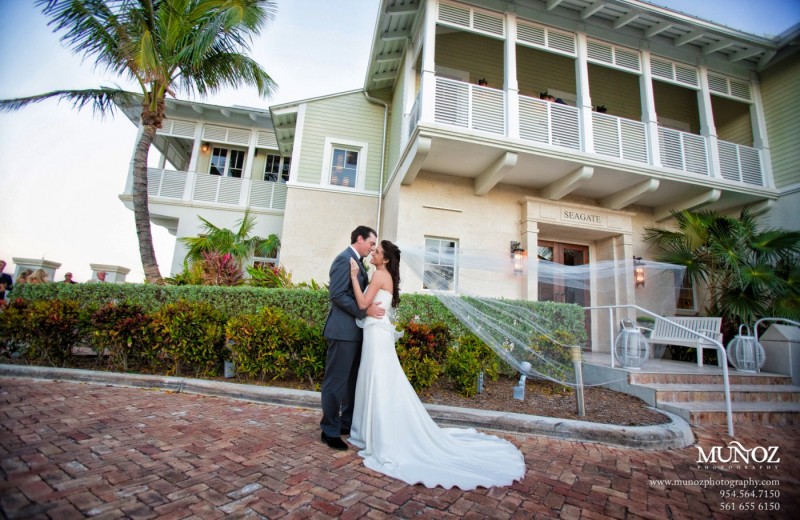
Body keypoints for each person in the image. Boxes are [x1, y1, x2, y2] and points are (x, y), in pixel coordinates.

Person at [345, 240, 526, 490]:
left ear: (385, 259)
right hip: (378, 332)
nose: (373, 254)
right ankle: (375, 431)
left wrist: (354, 277)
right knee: (383, 379)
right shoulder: (386, 275)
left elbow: (363, 304)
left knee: (378, 378)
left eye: (377, 252)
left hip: (377, 334)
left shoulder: (379, 274)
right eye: (373, 250)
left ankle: (379, 435)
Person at [319, 226, 385, 451]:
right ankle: (329, 431)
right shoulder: (343, 259)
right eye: (371, 243)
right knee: (335, 382)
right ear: (360, 239)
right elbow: (336, 295)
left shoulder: (358, 262)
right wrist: (365, 311)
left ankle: (345, 424)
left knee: (350, 383)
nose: (373, 248)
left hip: (356, 333)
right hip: (342, 332)